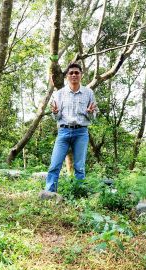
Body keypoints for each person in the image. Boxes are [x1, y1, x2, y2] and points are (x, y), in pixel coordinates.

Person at [45, 63, 97, 192]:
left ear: (81, 75)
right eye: (71, 73)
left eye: (76, 73)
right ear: (67, 76)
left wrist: (90, 112)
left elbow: (93, 116)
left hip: (81, 133)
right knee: (55, 165)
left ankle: (79, 193)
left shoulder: (88, 93)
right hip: (63, 131)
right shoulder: (59, 94)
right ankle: (50, 193)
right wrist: (55, 113)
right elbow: (56, 118)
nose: (74, 75)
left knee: (80, 166)